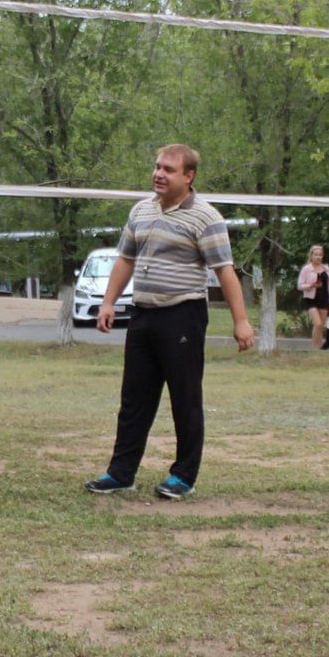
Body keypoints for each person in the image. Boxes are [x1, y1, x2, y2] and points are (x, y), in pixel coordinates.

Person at [84, 144, 257, 500]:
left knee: (185, 398)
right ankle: (121, 473)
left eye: (169, 169)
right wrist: (108, 302)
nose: (158, 174)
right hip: (143, 314)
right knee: (134, 399)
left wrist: (241, 321)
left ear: (189, 176)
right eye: (157, 167)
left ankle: (183, 476)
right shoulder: (141, 210)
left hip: (183, 315)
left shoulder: (205, 217)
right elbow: (125, 259)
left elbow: (224, 271)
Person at [298, 245, 329, 350]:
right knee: (317, 324)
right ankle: (315, 347)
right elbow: (300, 285)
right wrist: (311, 285)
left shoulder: (326, 268)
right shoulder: (306, 269)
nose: (318, 257)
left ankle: (318, 348)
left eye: (320, 255)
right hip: (311, 299)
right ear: (311, 256)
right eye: (316, 255)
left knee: (321, 326)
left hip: (324, 299)